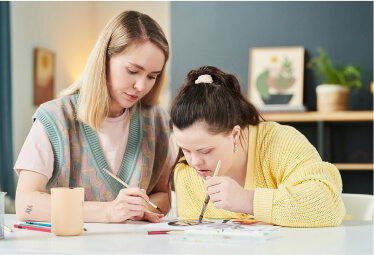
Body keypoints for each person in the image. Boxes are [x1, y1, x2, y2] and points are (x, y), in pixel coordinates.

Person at [14, 10, 176, 223]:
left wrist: (138, 208)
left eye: (152, 76)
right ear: (104, 60)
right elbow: (27, 204)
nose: (141, 86)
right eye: (132, 71)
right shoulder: (54, 118)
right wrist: (109, 212)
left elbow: (162, 196)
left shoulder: (158, 121)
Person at [170, 66, 345, 228]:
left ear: (235, 134)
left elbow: (329, 204)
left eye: (205, 151)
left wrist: (249, 200)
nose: (194, 162)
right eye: (185, 150)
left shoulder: (280, 142)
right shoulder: (185, 171)